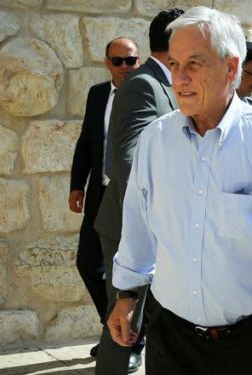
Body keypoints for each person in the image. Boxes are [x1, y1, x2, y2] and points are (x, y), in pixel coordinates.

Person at [107, 6, 252, 375]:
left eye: (195, 63)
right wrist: (126, 295)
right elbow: (138, 225)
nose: (181, 78)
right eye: (174, 64)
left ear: (230, 67)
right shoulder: (156, 140)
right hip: (172, 339)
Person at [92, 8, 184, 374]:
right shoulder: (143, 85)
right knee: (123, 326)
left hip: (160, 228)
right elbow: (126, 162)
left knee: (153, 326)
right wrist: (155, 221)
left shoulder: (169, 82)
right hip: (132, 228)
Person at [68, 36, 141, 359]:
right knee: (88, 262)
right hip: (101, 193)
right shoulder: (98, 94)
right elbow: (87, 141)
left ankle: (129, 339)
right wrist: (77, 185)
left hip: (134, 198)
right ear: (107, 63)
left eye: (131, 60)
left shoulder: (146, 93)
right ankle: (112, 326)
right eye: (118, 61)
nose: (125, 67)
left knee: (129, 273)